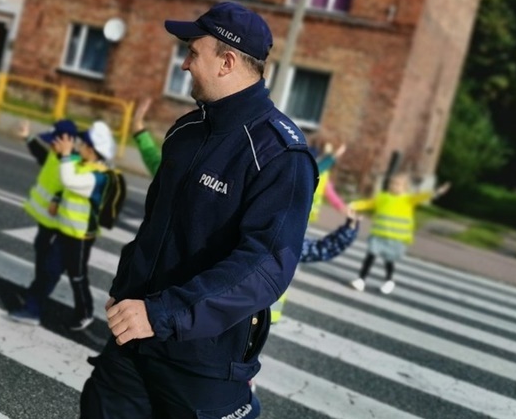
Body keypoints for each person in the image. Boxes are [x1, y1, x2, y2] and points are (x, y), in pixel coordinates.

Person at [47, 1, 317, 419]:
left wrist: (165, 312)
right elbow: (158, 231)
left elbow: (265, 267)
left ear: (227, 61)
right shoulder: (185, 132)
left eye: (194, 52)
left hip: (206, 364)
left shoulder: (281, 155)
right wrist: (130, 294)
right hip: (134, 346)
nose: (185, 63)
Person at [132, 96, 356, 324]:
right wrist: (349, 230)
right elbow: (321, 248)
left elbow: (153, 157)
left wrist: (139, 129)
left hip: (199, 312)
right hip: (239, 322)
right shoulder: (283, 236)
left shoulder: (179, 174)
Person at [11, 120, 117, 332]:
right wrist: (57, 198)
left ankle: (85, 312)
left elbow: (70, 181)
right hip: (64, 232)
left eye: (84, 145)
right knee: (50, 271)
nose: (79, 147)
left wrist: (67, 153)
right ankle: (32, 309)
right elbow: (64, 184)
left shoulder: (97, 176)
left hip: (80, 237)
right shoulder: (83, 165)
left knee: (77, 277)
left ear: (93, 150)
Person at [348, 172, 452, 294]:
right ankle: (361, 279)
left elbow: (423, 196)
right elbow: (369, 203)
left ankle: (389, 280)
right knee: (370, 256)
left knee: (389, 261)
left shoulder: (408, 199)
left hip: (396, 239)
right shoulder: (383, 197)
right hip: (379, 235)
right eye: (392, 183)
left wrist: (437, 192)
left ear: (405, 187)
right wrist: (353, 205)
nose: (394, 186)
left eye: (397, 184)